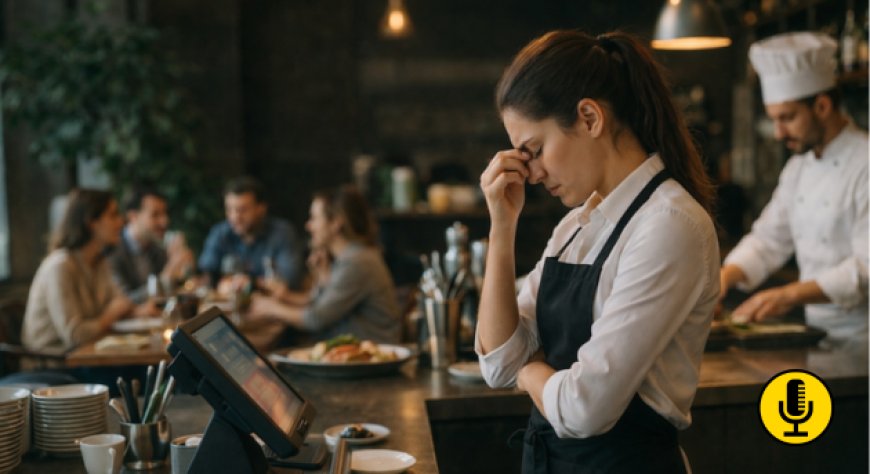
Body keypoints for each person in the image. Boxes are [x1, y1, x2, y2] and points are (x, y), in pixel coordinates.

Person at [476, 30, 719, 473]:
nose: (530, 173)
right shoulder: (576, 225)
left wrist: (528, 368)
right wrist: (501, 225)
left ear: (589, 117)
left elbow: (583, 407)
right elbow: (496, 362)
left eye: (534, 150)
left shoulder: (669, 226)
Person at [719, 32, 868, 351]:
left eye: (787, 118)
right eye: (774, 120)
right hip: (819, 335)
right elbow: (769, 239)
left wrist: (788, 294)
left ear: (823, 105)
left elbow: (866, 268)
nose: (777, 133)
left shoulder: (866, 163)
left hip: (864, 339)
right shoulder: (798, 169)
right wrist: (723, 278)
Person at [247, 185, 401, 343]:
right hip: (353, 351)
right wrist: (323, 278)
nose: (308, 226)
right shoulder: (350, 257)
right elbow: (321, 306)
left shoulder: (357, 261)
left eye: (314, 218)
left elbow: (316, 319)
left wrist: (271, 308)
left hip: (367, 357)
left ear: (335, 223)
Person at [22, 189, 153, 352]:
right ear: (91, 222)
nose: (121, 222)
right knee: (144, 368)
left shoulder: (99, 261)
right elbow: (75, 335)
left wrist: (135, 312)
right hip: (55, 362)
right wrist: (111, 315)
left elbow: (121, 302)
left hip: (90, 352)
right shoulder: (59, 267)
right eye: (113, 215)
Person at [198, 176, 305, 292]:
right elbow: (206, 274)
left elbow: (290, 279)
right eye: (229, 209)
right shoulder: (220, 232)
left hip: (270, 306)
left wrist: (252, 283)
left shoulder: (282, 233)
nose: (235, 217)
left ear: (261, 208)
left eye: (242, 210)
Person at [109, 187, 194, 304]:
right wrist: (169, 271)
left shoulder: (156, 249)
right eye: (155, 215)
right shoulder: (112, 250)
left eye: (164, 213)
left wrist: (182, 270)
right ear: (133, 216)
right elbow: (125, 301)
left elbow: (171, 293)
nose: (165, 221)